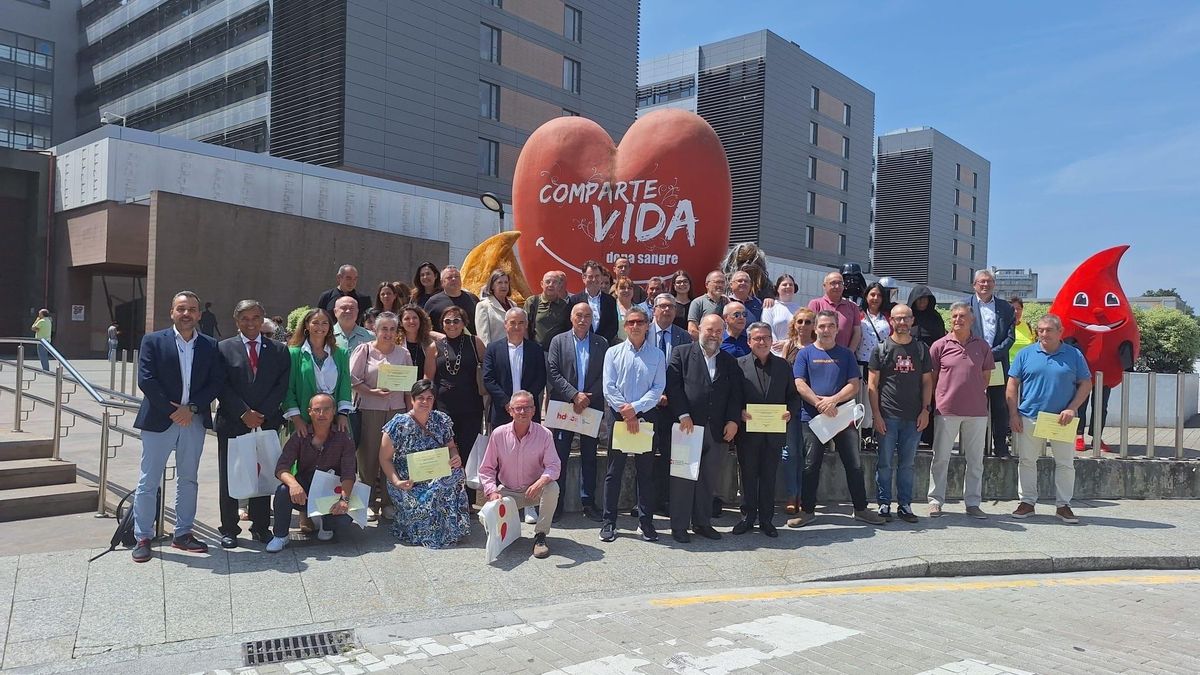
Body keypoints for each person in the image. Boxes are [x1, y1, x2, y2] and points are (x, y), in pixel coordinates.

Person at [130, 291, 225, 563]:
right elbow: (146, 379)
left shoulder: (209, 345)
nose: (187, 314)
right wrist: (174, 411)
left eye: (192, 309)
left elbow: (216, 382)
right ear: (172, 312)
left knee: (189, 479)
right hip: (160, 420)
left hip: (193, 421)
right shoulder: (153, 341)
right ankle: (143, 536)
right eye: (181, 309)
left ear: (199, 314)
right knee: (148, 481)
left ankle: (183, 533)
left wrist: (191, 408)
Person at [787, 310, 886, 528]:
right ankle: (807, 511)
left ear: (837, 328)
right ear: (815, 328)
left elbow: (854, 384)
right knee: (810, 466)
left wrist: (833, 400)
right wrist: (819, 403)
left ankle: (860, 509)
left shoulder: (846, 354)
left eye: (830, 325)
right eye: (821, 326)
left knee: (854, 465)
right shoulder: (805, 354)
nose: (826, 330)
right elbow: (799, 383)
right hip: (813, 418)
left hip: (842, 417)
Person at [215, 299, 291, 549]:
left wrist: (262, 413)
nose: (250, 323)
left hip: (265, 422)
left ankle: (260, 527)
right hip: (233, 422)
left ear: (262, 319)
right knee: (231, 477)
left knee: (263, 475)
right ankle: (229, 528)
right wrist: (243, 412)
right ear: (237, 321)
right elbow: (221, 385)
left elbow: (281, 385)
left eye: (255, 318)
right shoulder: (223, 348)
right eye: (244, 318)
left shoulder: (278, 350)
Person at [1007, 314, 1092, 524]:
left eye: (1048, 330)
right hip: (1030, 416)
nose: (1043, 334)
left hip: (1062, 419)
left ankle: (1063, 506)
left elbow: (1086, 383)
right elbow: (1012, 384)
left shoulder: (1074, 355)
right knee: (1027, 461)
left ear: (1059, 332)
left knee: (1065, 463)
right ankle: (1027, 502)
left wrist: (1072, 408)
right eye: (1040, 330)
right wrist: (1013, 413)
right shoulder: (1026, 354)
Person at [667, 314, 741, 542]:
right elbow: (673, 386)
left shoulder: (729, 361)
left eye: (719, 331)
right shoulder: (682, 353)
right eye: (710, 330)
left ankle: (702, 522)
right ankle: (679, 526)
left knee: (708, 479)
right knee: (683, 477)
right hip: (687, 426)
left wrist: (733, 420)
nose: (715, 335)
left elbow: (735, 394)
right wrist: (683, 414)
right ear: (699, 329)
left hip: (717, 428)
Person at [600, 306, 665, 543]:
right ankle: (609, 522)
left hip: (646, 418)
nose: (635, 326)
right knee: (613, 472)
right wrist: (626, 412)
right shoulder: (613, 353)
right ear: (625, 326)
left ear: (648, 325)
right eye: (631, 322)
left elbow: (658, 388)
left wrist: (635, 409)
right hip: (619, 418)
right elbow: (608, 386)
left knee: (645, 473)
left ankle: (645, 522)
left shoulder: (657, 355)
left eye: (640, 322)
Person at [380, 380, 471, 547]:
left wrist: (455, 456)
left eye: (429, 398)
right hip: (408, 478)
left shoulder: (441, 419)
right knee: (433, 491)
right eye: (420, 398)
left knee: (456, 475)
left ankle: (450, 529)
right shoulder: (398, 423)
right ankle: (426, 530)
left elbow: (451, 447)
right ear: (412, 400)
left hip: (435, 473)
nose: (425, 402)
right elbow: (384, 458)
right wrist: (396, 481)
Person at [265, 394, 357, 552]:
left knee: (344, 520)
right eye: (317, 410)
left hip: (330, 491)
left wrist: (344, 499)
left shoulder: (344, 438)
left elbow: (349, 473)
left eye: (326, 409)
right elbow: (281, 467)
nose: (322, 414)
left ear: (334, 411)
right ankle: (281, 536)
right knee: (282, 491)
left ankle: (326, 524)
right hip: (305, 489)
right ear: (309, 412)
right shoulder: (300, 435)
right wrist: (293, 484)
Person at [927, 302, 994, 518]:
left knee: (975, 461)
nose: (958, 319)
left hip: (977, 412)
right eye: (954, 316)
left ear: (972, 320)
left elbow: (985, 378)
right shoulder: (939, 345)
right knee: (941, 458)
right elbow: (933, 378)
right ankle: (936, 500)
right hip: (947, 410)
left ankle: (973, 503)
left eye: (963, 316)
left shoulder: (982, 346)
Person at [733, 322, 799, 537]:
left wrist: (789, 412)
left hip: (774, 433)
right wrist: (739, 412)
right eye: (757, 338)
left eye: (766, 338)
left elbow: (793, 396)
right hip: (748, 432)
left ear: (772, 340)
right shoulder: (739, 365)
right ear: (749, 341)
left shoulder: (783, 366)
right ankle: (747, 517)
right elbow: (732, 397)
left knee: (769, 477)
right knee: (748, 476)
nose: (762, 342)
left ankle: (766, 520)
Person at [867, 303, 931, 524]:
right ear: (891, 321)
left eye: (906, 318)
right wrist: (876, 414)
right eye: (897, 318)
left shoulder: (921, 350)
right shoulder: (881, 349)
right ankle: (884, 503)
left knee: (907, 464)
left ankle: (905, 504)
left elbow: (927, 382)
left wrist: (925, 410)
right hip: (888, 415)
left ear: (912, 321)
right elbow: (872, 385)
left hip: (914, 417)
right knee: (884, 463)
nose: (902, 323)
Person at [478, 390, 561, 558]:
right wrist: (492, 491)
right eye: (518, 408)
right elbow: (486, 468)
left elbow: (553, 465)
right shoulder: (498, 434)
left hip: (534, 490)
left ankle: (540, 536)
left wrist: (540, 483)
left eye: (527, 408)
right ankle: (503, 535)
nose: (522, 412)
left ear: (534, 410)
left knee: (552, 487)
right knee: (486, 515)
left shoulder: (544, 434)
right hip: (507, 493)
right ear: (510, 410)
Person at [546, 302, 608, 522]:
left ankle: (588, 502)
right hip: (565, 406)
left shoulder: (601, 343)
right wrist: (574, 395)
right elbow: (553, 371)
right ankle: (557, 503)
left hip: (591, 407)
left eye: (588, 316)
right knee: (560, 456)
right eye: (579, 315)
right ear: (571, 318)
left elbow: (605, 374)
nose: (583, 320)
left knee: (590, 456)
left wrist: (587, 397)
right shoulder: (558, 341)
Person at [350, 311, 413, 521]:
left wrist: (409, 414)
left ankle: (388, 502)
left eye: (392, 329)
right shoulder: (364, 350)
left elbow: (408, 388)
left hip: (396, 411)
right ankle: (367, 503)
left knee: (392, 458)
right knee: (368, 457)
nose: (387, 333)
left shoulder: (403, 354)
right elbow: (352, 379)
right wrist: (371, 392)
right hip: (370, 409)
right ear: (375, 330)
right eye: (383, 328)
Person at [429, 305, 487, 505]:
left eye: (456, 320)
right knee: (445, 451)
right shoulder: (434, 347)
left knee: (469, 451)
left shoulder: (475, 342)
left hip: (471, 405)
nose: (452, 324)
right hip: (444, 407)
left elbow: (487, 371)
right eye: (447, 321)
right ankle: (447, 497)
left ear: (464, 323)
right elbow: (428, 379)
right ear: (442, 324)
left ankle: (468, 500)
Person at [648, 293, 694, 516]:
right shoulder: (641, 332)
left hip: (673, 407)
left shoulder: (684, 337)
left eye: (671, 307)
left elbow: (686, 373)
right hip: (646, 406)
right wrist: (655, 395)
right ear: (654, 309)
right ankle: (644, 500)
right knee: (644, 454)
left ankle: (665, 500)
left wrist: (669, 395)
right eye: (662, 306)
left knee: (669, 455)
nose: (666, 310)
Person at [965, 269, 1016, 458]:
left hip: (997, 364)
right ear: (974, 285)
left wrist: (989, 354)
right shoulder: (964, 306)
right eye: (981, 282)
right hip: (972, 364)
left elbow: (1010, 338)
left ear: (994, 284)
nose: (985, 285)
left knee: (999, 405)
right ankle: (976, 446)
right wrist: (978, 356)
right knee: (975, 405)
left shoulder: (1005, 308)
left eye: (989, 281)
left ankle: (1000, 445)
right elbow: (960, 334)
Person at [283, 308, 353, 438]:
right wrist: (297, 419)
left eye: (324, 323)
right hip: (304, 418)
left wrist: (343, 415)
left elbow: (345, 385)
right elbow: (287, 389)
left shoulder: (340, 353)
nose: (320, 327)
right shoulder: (294, 354)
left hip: (334, 419)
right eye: (315, 322)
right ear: (306, 325)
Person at [778, 307, 816, 514]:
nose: (803, 326)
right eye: (800, 321)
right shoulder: (789, 346)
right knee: (790, 452)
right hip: (791, 405)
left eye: (808, 322)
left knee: (808, 453)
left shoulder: (819, 347)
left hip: (812, 405)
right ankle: (792, 494)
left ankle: (805, 494)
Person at [483, 308, 547, 427]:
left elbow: (541, 378)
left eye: (521, 323)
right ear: (505, 324)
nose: (517, 327)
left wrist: (524, 404)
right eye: (512, 323)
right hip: (502, 409)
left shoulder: (536, 349)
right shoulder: (493, 349)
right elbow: (488, 379)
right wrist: (507, 403)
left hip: (528, 411)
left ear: (526, 325)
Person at [909, 284, 945, 448]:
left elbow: (941, 340)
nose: (922, 302)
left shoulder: (935, 317)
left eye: (925, 299)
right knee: (912, 398)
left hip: (931, 364)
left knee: (930, 398)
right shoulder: (908, 317)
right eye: (919, 299)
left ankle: (929, 436)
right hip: (910, 363)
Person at [807, 271, 861, 352]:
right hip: (820, 354)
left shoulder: (853, 307)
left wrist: (850, 353)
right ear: (824, 286)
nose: (837, 286)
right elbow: (808, 330)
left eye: (840, 283)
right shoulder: (815, 304)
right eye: (833, 283)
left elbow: (857, 333)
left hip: (843, 357)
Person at [568, 260, 619, 344]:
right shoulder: (574, 300)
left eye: (597, 276)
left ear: (601, 277)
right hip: (581, 345)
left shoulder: (610, 300)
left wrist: (602, 342)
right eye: (590, 276)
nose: (594, 279)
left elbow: (613, 326)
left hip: (604, 346)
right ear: (583, 278)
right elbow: (570, 324)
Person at [423, 266, 479, 335]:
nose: (454, 279)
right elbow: (424, 328)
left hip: (469, 344)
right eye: (449, 277)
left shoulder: (473, 299)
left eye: (457, 277)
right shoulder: (432, 302)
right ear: (442, 282)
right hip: (441, 344)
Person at [524, 270, 572, 351]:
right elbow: (524, 327)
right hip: (536, 352)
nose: (551, 285)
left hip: (557, 353)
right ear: (542, 284)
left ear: (559, 286)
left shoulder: (565, 306)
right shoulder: (532, 302)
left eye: (554, 282)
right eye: (548, 282)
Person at [475, 269, 515, 346]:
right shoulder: (483, 306)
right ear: (492, 286)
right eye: (499, 282)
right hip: (495, 353)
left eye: (506, 282)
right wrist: (489, 355)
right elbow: (484, 337)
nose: (503, 286)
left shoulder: (513, 305)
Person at [400, 304, 438, 380]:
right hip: (402, 389)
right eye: (407, 318)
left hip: (425, 388)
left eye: (415, 318)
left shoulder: (430, 343)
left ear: (420, 320)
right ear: (401, 323)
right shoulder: (395, 344)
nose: (411, 321)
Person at [760, 274, 803, 342]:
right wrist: (776, 345)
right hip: (773, 349)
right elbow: (767, 329)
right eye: (784, 285)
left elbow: (802, 332)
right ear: (777, 289)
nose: (788, 287)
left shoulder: (800, 310)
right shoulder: (770, 306)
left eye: (791, 285)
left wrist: (787, 343)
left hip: (793, 349)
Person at [687, 271, 727, 338]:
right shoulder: (698, 302)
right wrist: (709, 340)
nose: (720, 285)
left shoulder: (727, 302)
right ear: (707, 285)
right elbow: (692, 330)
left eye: (722, 282)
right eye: (717, 282)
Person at [613, 278, 647, 342]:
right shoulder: (611, 309)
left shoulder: (640, 310)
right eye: (622, 288)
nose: (626, 290)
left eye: (629, 288)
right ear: (616, 291)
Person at [1009, 296, 1035, 366]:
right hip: (1008, 367)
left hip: (1026, 366)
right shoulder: (1004, 327)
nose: (1016, 311)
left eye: (1018, 309)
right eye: (1013, 309)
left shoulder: (1028, 326)